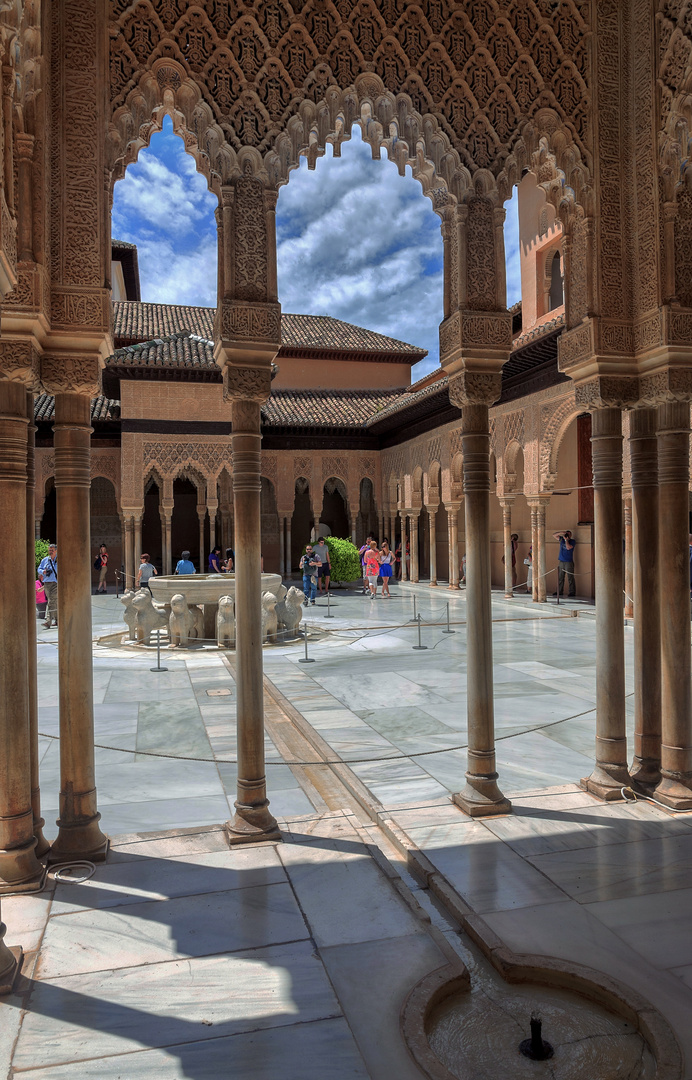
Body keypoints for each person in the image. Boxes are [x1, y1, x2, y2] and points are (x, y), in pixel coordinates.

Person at [37, 544, 58, 629]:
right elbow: (39, 569)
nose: (50, 552)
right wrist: (44, 571)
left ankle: (48, 621)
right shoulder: (45, 560)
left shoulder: (59, 560)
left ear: (56, 551)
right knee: (53, 602)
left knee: (51, 602)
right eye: (49, 550)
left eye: (52, 550)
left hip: (56, 583)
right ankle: (58, 620)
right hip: (47, 584)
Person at [553, 529, 576, 597]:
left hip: (568, 562)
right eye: (566, 534)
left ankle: (572, 592)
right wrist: (561, 533)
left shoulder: (572, 541)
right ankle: (559, 591)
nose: (567, 535)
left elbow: (568, 547)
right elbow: (554, 535)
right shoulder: (561, 540)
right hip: (561, 561)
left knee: (570, 577)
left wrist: (566, 540)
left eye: (568, 534)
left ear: (570, 535)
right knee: (560, 577)